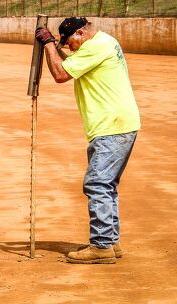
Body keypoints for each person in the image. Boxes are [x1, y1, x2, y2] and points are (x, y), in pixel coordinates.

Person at [35, 17, 140, 264]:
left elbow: (61, 74)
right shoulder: (102, 41)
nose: (68, 47)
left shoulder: (95, 47)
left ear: (81, 33)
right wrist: (53, 44)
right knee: (106, 184)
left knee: (97, 184)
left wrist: (49, 45)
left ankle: (102, 245)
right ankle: (110, 242)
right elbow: (73, 62)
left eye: (70, 42)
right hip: (118, 125)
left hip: (111, 127)